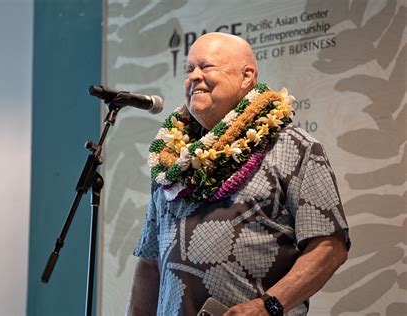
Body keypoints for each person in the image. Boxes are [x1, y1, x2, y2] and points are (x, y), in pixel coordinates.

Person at [127, 32, 350, 316]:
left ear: (247, 76)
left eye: (206, 67)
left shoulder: (294, 147)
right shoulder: (173, 165)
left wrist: (267, 306)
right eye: (188, 69)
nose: (194, 77)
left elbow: (330, 246)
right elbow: (150, 263)